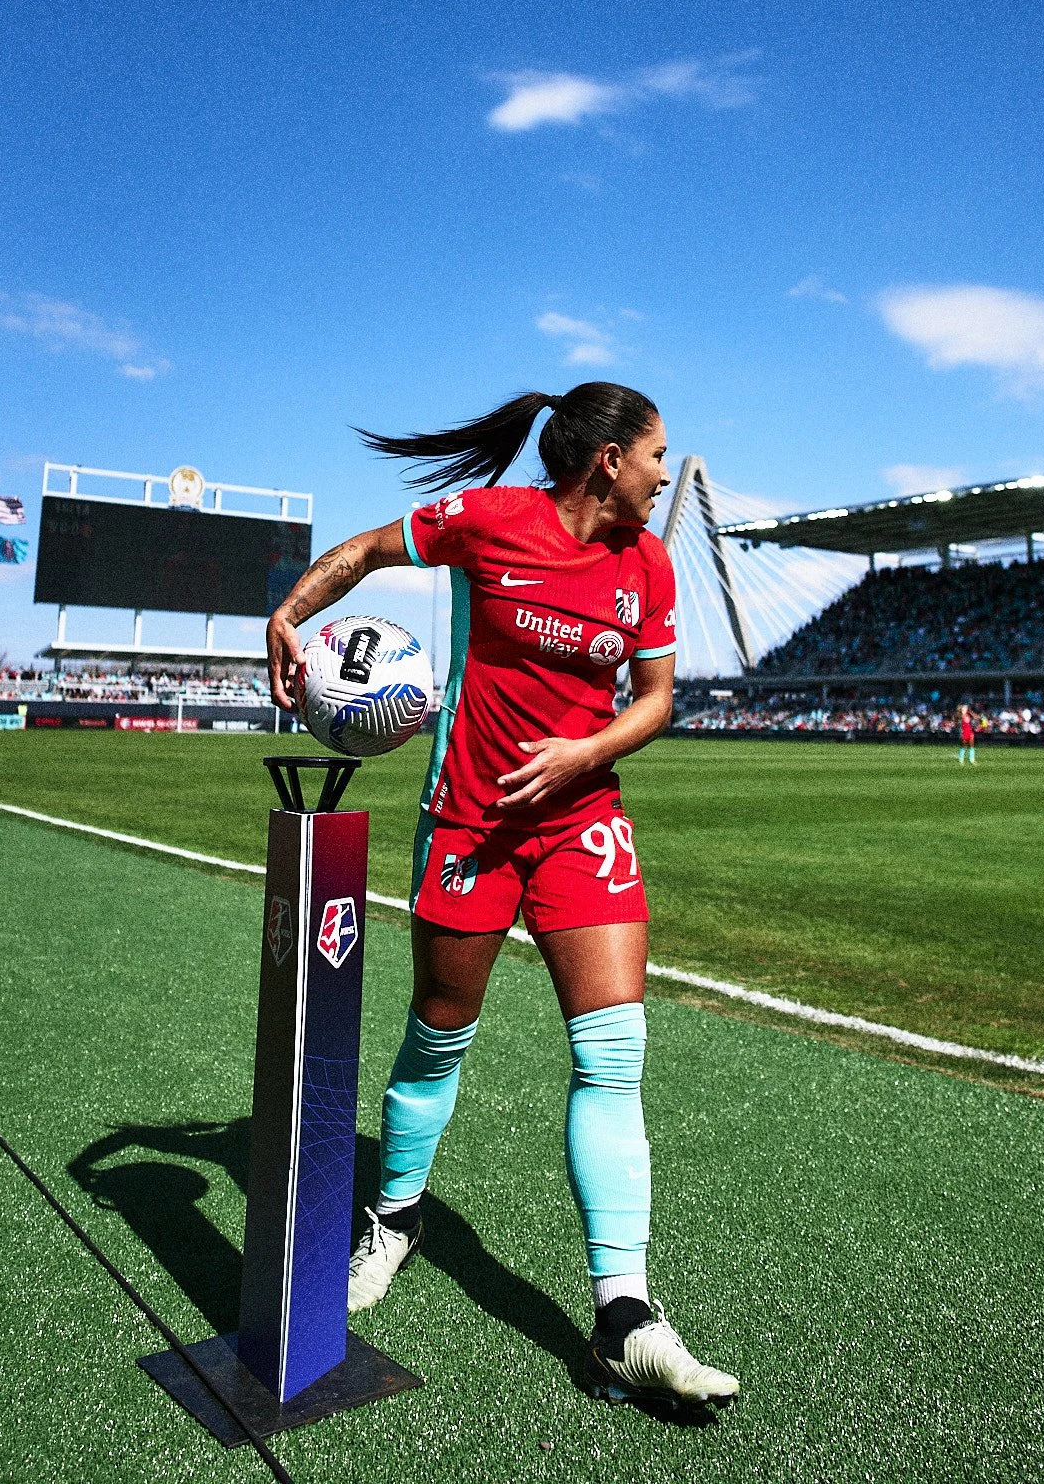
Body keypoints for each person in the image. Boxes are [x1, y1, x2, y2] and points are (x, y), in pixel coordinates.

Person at [267, 384, 738, 1410]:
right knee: (439, 1032)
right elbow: (363, 552)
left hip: (583, 821)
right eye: (657, 454)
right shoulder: (488, 522)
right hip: (472, 824)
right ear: (607, 459)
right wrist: (290, 615)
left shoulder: (649, 566)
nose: (668, 472)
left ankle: (625, 1314)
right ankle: (394, 1218)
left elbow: (655, 698)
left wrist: (584, 752)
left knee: (614, 1053)